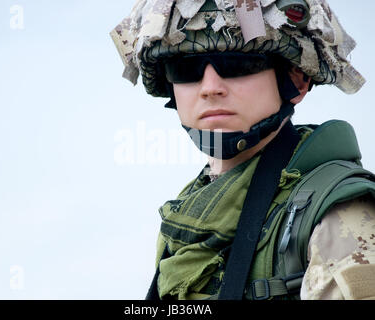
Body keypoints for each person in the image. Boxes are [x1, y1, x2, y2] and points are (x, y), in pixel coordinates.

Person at [111, 0, 375, 300]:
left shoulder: (337, 215)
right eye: (185, 68)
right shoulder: (190, 207)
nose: (210, 87)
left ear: (296, 81)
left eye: (237, 64)